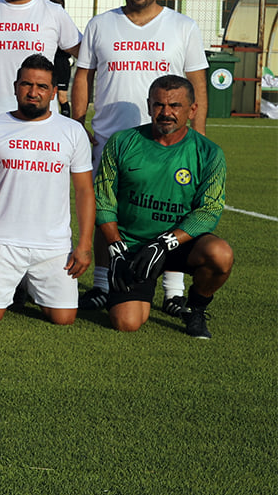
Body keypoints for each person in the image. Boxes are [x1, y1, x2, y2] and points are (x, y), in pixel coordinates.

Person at [70, 0, 209, 312]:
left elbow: (197, 83)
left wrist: (198, 137)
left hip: (170, 141)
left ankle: (174, 291)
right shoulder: (101, 24)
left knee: (173, 209)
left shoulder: (183, 26)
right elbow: (83, 75)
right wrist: (78, 123)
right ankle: (103, 283)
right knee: (106, 209)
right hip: (111, 138)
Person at [94, 75, 232, 339]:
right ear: (149, 106)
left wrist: (163, 243)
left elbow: (209, 211)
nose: (166, 112)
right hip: (134, 248)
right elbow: (103, 200)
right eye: (159, 104)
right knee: (127, 322)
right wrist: (117, 248)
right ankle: (113, 288)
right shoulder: (122, 142)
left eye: (175, 106)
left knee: (220, 254)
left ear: (192, 110)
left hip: (178, 244)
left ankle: (195, 308)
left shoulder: (209, 153)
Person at [0, 55, 93, 324]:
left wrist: (84, 244)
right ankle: (1, 283)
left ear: (54, 92)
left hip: (53, 244)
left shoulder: (72, 131)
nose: (33, 92)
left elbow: (84, 191)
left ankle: (23, 283)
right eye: (26, 84)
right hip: (0, 240)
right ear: (15, 87)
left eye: (42, 86)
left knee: (63, 318)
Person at [47, 0, 74, 116]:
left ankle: (66, 121)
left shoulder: (65, 24)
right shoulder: (44, 23)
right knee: (48, 95)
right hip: (49, 65)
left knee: (62, 97)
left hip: (61, 64)